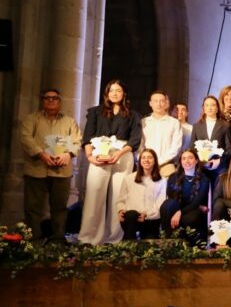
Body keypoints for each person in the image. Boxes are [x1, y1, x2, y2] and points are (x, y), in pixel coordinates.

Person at [80, 80, 143, 245]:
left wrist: (119, 154)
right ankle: (89, 238)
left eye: (118, 90)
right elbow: (87, 137)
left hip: (122, 154)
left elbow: (135, 140)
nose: (115, 93)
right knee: (94, 195)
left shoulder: (133, 115)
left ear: (124, 93)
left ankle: (114, 239)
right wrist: (90, 157)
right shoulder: (95, 112)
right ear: (107, 93)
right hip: (99, 154)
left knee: (119, 198)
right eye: (112, 90)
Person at [20, 88, 82, 242]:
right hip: (36, 168)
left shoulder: (69, 121)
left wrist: (68, 154)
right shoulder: (31, 119)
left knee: (60, 208)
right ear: (42, 101)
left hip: (61, 170)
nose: (51, 100)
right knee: (33, 208)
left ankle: (58, 240)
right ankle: (33, 241)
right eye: (47, 98)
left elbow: (77, 141)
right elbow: (26, 138)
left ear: (59, 101)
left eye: (54, 98)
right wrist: (41, 154)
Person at [160, 149, 211, 241]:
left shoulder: (204, 179)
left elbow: (196, 202)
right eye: (184, 158)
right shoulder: (173, 177)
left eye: (190, 158)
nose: (187, 161)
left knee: (190, 218)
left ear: (196, 160)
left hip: (192, 209)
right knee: (167, 204)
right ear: (180, 162)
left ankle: (186, 245)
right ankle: (168, 240)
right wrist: (177, 210)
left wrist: (180, 212)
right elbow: (171, 197)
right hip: (177, 207)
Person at [116, 149, 166, 240]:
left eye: (150, 157)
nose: (146, 160)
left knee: (149, 246)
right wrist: (120, 210)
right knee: (131, 215)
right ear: (140, 161)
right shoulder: (128, 179)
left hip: (151, 220)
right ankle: (128, 245)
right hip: (131, 219)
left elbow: (160, 205)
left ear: (155, 161)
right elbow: (121, 201)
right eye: (143, 158)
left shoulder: (162, 181)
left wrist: (147, 215)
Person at [190, 96, 231, 185]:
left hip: (219, 167)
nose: (210, 108)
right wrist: (200, 161)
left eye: (213, 105)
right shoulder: (196, 126)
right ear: (203, 109)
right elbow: (192, 148)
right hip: (201, 166)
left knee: (217, 191)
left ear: (217, 108)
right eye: (207, 105)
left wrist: (219, 161)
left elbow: (229, 149)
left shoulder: (225, 125)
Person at [140, 90, 183, 175]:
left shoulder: (174, 123)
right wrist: (145, 160)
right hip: (146, 165)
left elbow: (176, 147)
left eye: (162, 101)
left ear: (166, 103)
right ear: (150, 103)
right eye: (155, 101)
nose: (158, 104)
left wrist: (159, 161)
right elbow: (140, 145)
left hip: (167, 165)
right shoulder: (143, 122)